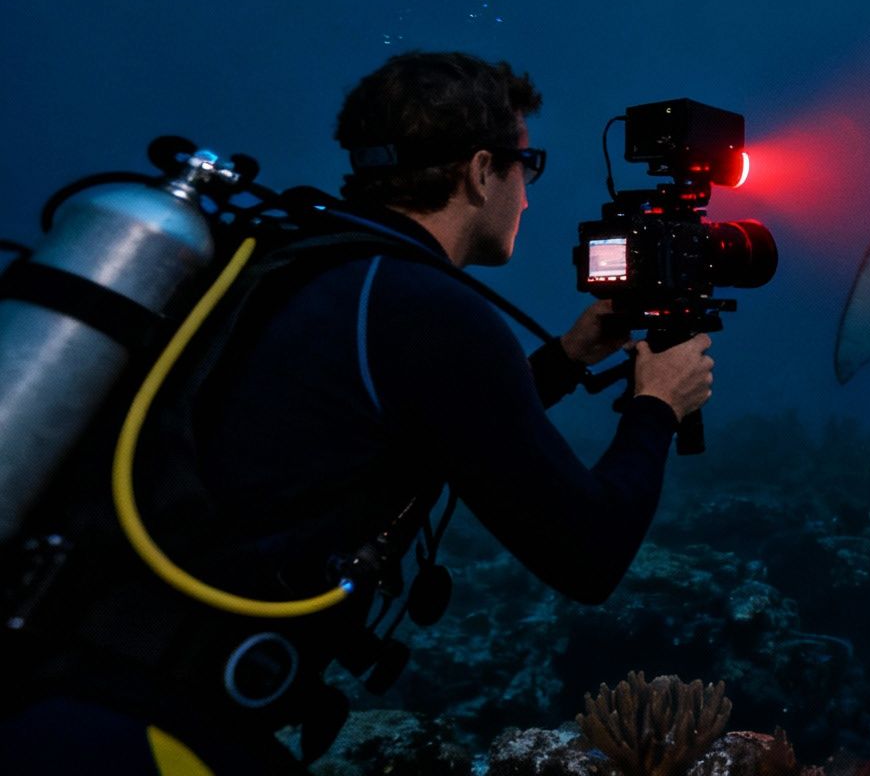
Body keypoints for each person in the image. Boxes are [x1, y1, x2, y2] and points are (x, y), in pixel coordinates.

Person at [0, 52, 716, 774]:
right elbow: (589, 553)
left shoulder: (297, 259)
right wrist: (658, 404)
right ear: (479, 170)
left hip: (46, 677)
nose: (527, 196)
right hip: (142, 727)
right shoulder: (432, 312)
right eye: (525, 166)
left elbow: (411, 423)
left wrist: (564, 358)